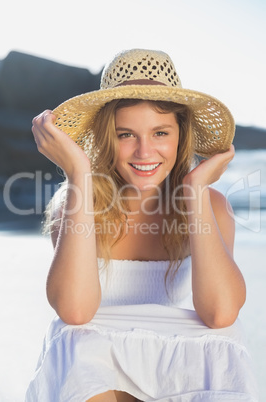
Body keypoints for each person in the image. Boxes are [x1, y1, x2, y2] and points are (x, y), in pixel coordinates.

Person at [25, 49, 258, 401]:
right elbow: (74, 311)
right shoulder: (75, 200)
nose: (144, 152)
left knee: (225, 342)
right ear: (106, 138)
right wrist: (78, 174)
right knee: (74, 341)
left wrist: (195, 190)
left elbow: (221, 313)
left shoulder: (211, 206)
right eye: (125, 135)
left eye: (160, 133)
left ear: (181, 135)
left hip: (172, 368)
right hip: (98, 374)